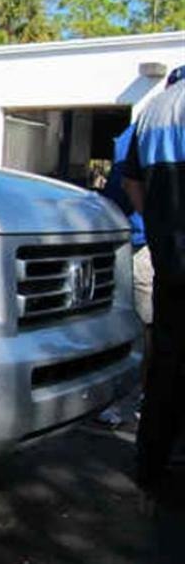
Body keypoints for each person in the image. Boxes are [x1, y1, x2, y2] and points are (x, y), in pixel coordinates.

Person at [123, 65, 185, 502]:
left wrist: (158, 226)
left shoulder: (152, 109)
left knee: (167, 360)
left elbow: (130, 180)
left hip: (170, 258)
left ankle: (151, 464)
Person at [95, 124, 153, 428]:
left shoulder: (138, 129)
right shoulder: (145, 132)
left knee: (123, 318)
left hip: (126, 240)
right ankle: (134, 400)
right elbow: (130, 184)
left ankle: (118, 400)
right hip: (143, 243)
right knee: (147, 324)